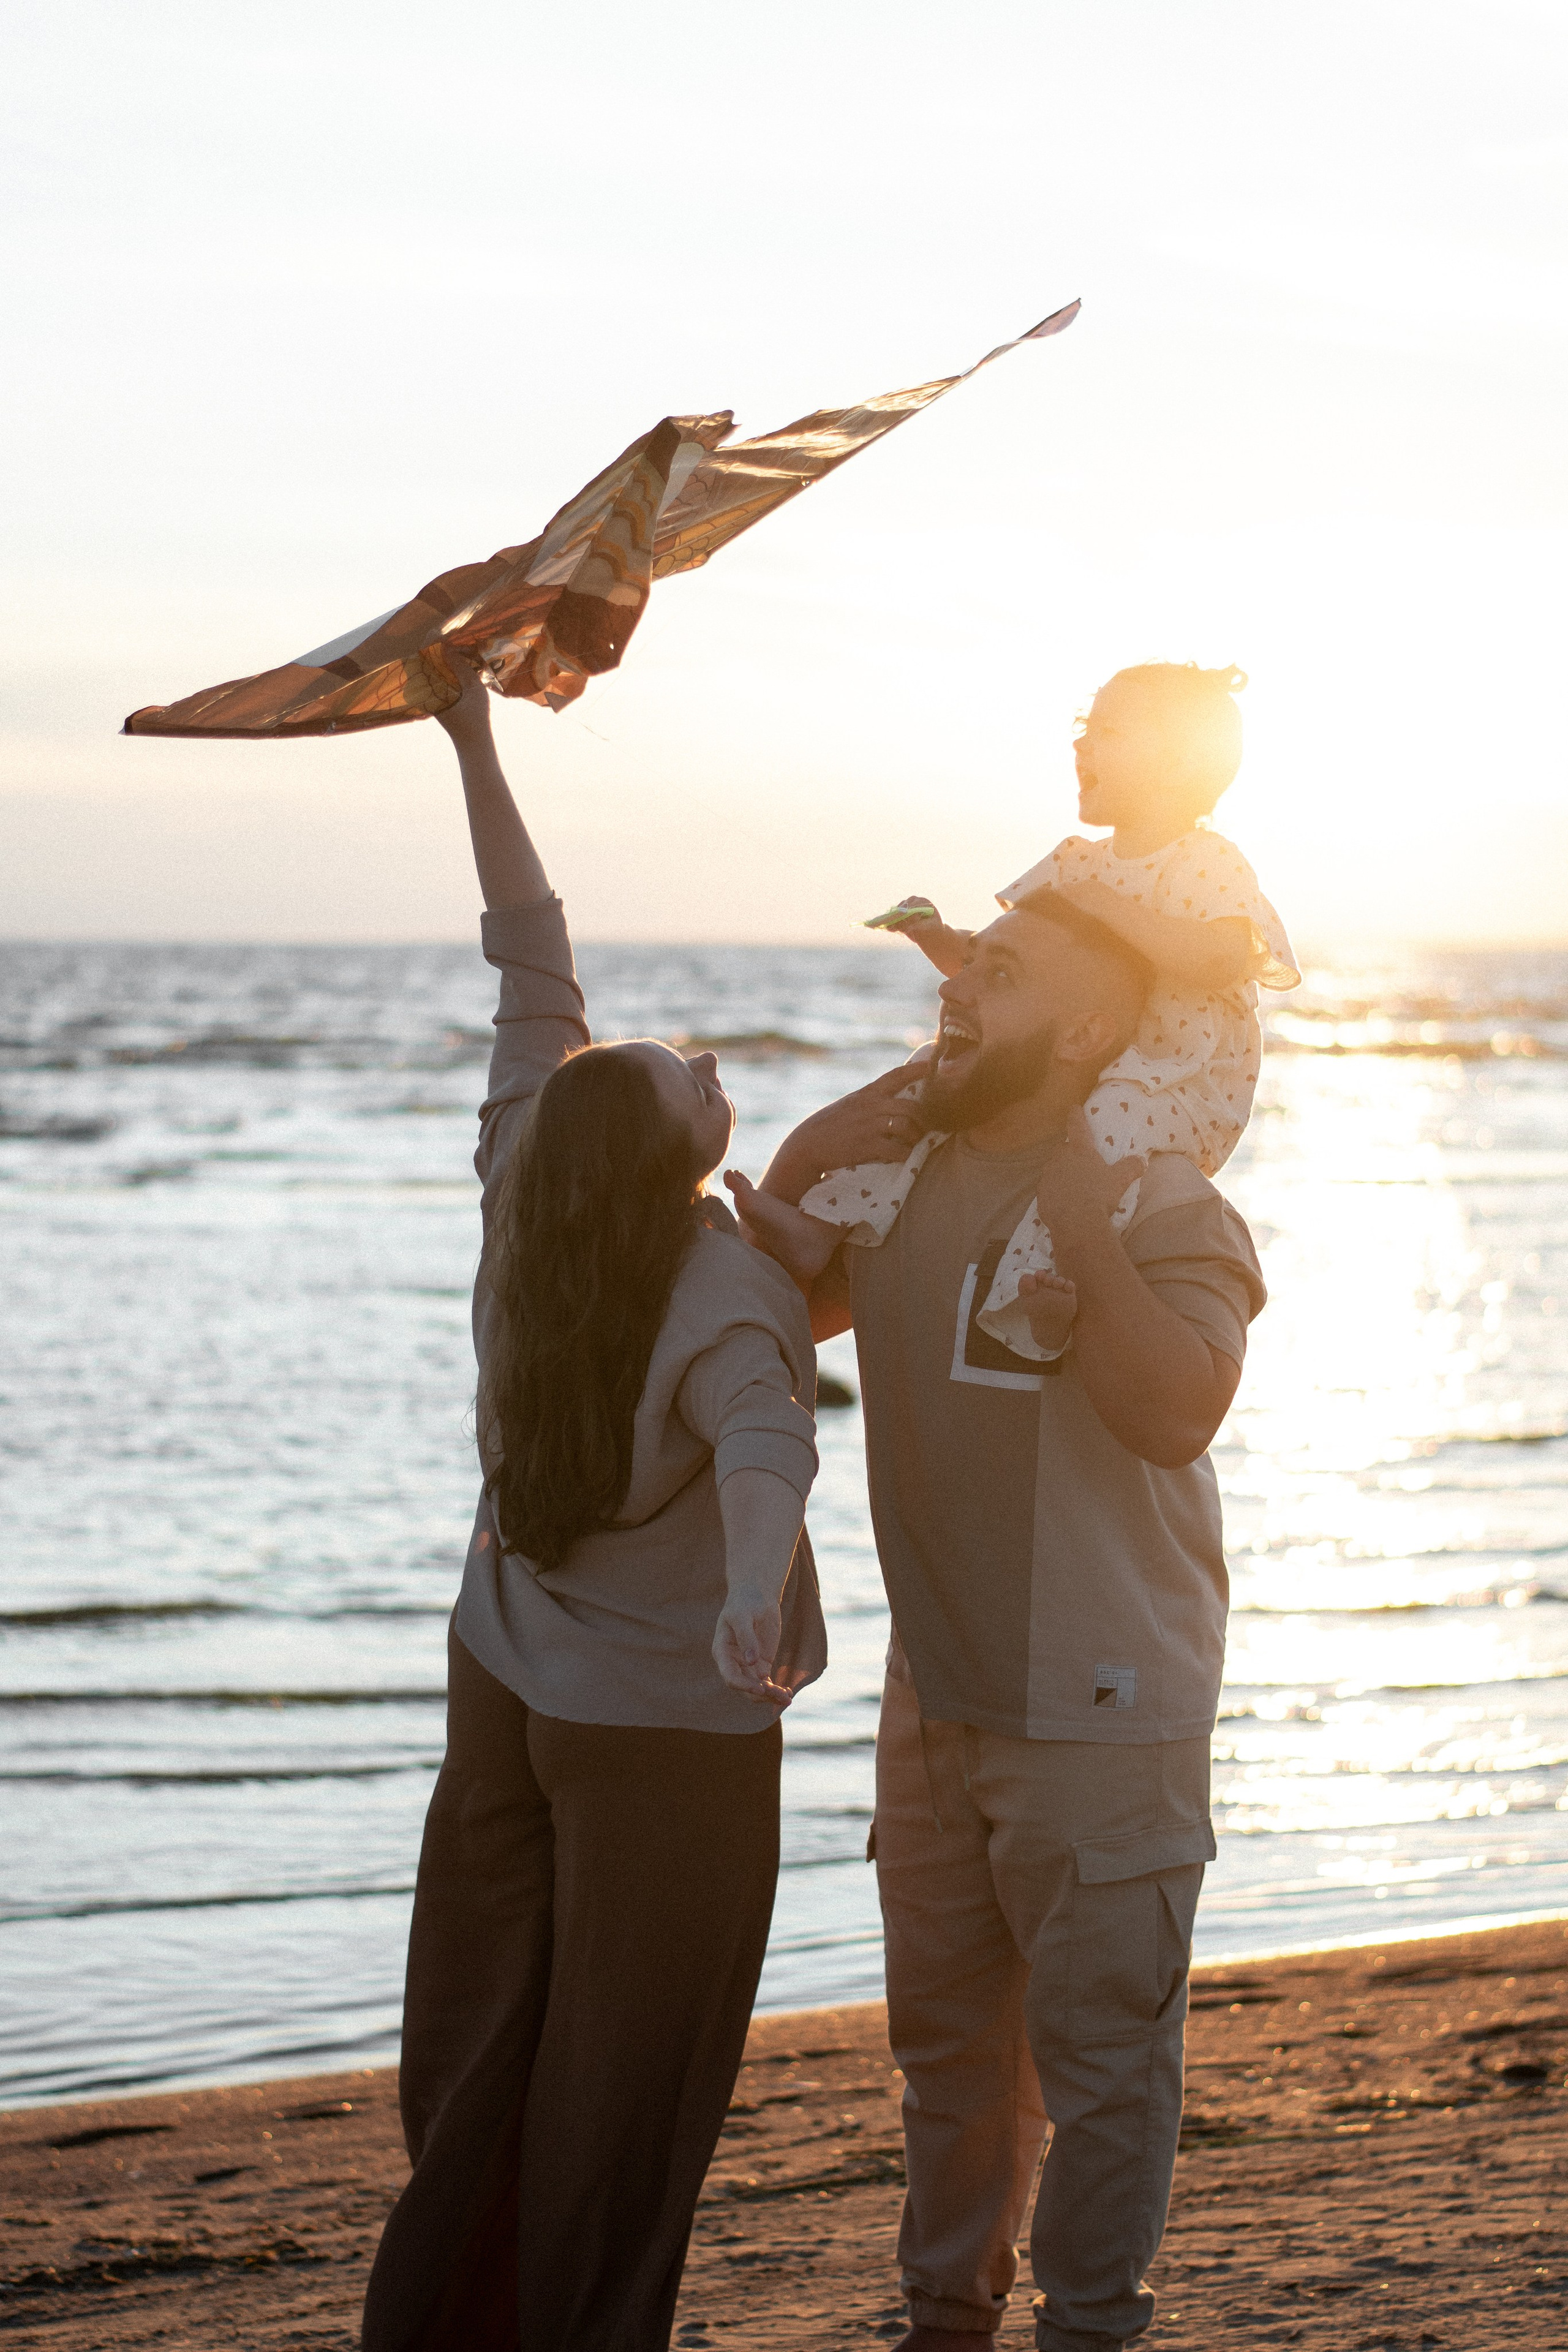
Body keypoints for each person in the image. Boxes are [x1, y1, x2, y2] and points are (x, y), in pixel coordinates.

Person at [361, 660, 869, 2352]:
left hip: (499, 1681)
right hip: (662, 1730)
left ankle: (445, 2321)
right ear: (666, 1164)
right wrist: (747, 1599)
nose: (706, 1059)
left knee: (485, 2037)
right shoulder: (722, 1286)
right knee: (624, 2090)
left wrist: (472, 738)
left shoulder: (532, 1175)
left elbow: (528, 938)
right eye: (687, 1075)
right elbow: (763, 1448)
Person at [729, 882, 1268, 2350]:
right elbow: (789, 1260)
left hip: (1104, 1707)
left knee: (1101, 2067)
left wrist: (1084, 1232)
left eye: (1005, 973)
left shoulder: (1169, 1204)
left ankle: (1088, 2327)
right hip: (938, 1697)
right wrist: (933, 1060)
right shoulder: (909, 1183)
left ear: (1092, 1024)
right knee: (949, 2057)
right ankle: (944, 2317)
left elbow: (1171, 1411)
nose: (961, 987)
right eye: (961, 973)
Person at [772, 662, 1297, 1363]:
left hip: (1171, 1076)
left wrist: (1116, 911)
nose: (1081, 745)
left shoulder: (1205, 863)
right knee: (926, 1080)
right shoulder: (1075, 863)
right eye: (1084, 727)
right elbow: (1000, 965)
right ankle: (833, 1220)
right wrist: (938, 935)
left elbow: (1221, 959)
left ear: (1177, 763)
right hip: (1083, 1057)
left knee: (1105, 1124)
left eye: (1106, 731)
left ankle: (1031, 1292)